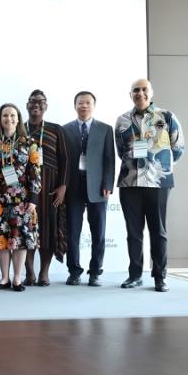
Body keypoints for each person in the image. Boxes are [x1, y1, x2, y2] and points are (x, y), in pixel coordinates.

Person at [115, 79, 184, 292]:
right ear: (130, 94)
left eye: (144, 89)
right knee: (133, 232)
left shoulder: (167, 117)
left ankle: (160, 277)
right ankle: (135, 275)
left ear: (151, 92)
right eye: (136, 90)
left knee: (158, 231)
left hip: (158, 182)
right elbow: (120, 150)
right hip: (129, 182)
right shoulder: (122, 120)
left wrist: (159, 166)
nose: (140, 93)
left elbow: (178, 147)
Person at [0, 103, 41, 292]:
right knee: (2, 238)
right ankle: (4, 278)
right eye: (5, 115)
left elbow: (35, 171)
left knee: (20, 238)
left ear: (18, 118)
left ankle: (16, 278)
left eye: (13, 115)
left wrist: (33, 199)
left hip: (22, 200)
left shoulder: (30, 143)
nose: (9, 118)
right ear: (0, 119)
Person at [63, 91, 114, 287]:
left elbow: (109, 159)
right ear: (74, 106)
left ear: (93, 105)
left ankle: (95, 272)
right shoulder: (65, 129)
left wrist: (107, 184)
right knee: (72, 232)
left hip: (98, 187)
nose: (84, 106)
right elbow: (62, 160)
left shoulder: (105, 129)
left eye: (87, 102)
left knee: (98, 232)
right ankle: (74, 271)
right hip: (73, 186)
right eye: (80, 103)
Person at [23, 90, 69, 286]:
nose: (36, 104)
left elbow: (65, 159)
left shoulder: (56, 129)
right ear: (27, 105)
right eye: (33, 101)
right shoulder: (20, 129)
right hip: (24, 189)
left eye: (41, 102)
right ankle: (29, 272)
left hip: (50, 189)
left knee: (48, 230)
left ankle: (44, 272)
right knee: (26, 230)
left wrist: (63, 186)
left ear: (46, 106)